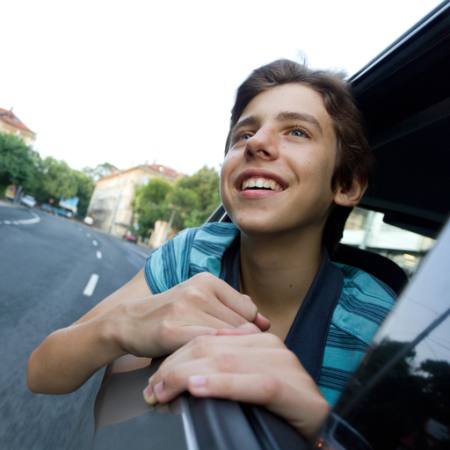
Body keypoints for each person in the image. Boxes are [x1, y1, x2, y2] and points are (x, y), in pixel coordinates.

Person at [27, 59, 395, 440]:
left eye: (297, 131)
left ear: (348, 185)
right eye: (243, 134)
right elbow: (41, 372)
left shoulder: (379, 325)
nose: (257, 143)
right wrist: (122, 326)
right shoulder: (190, 254)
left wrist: (320, 433)